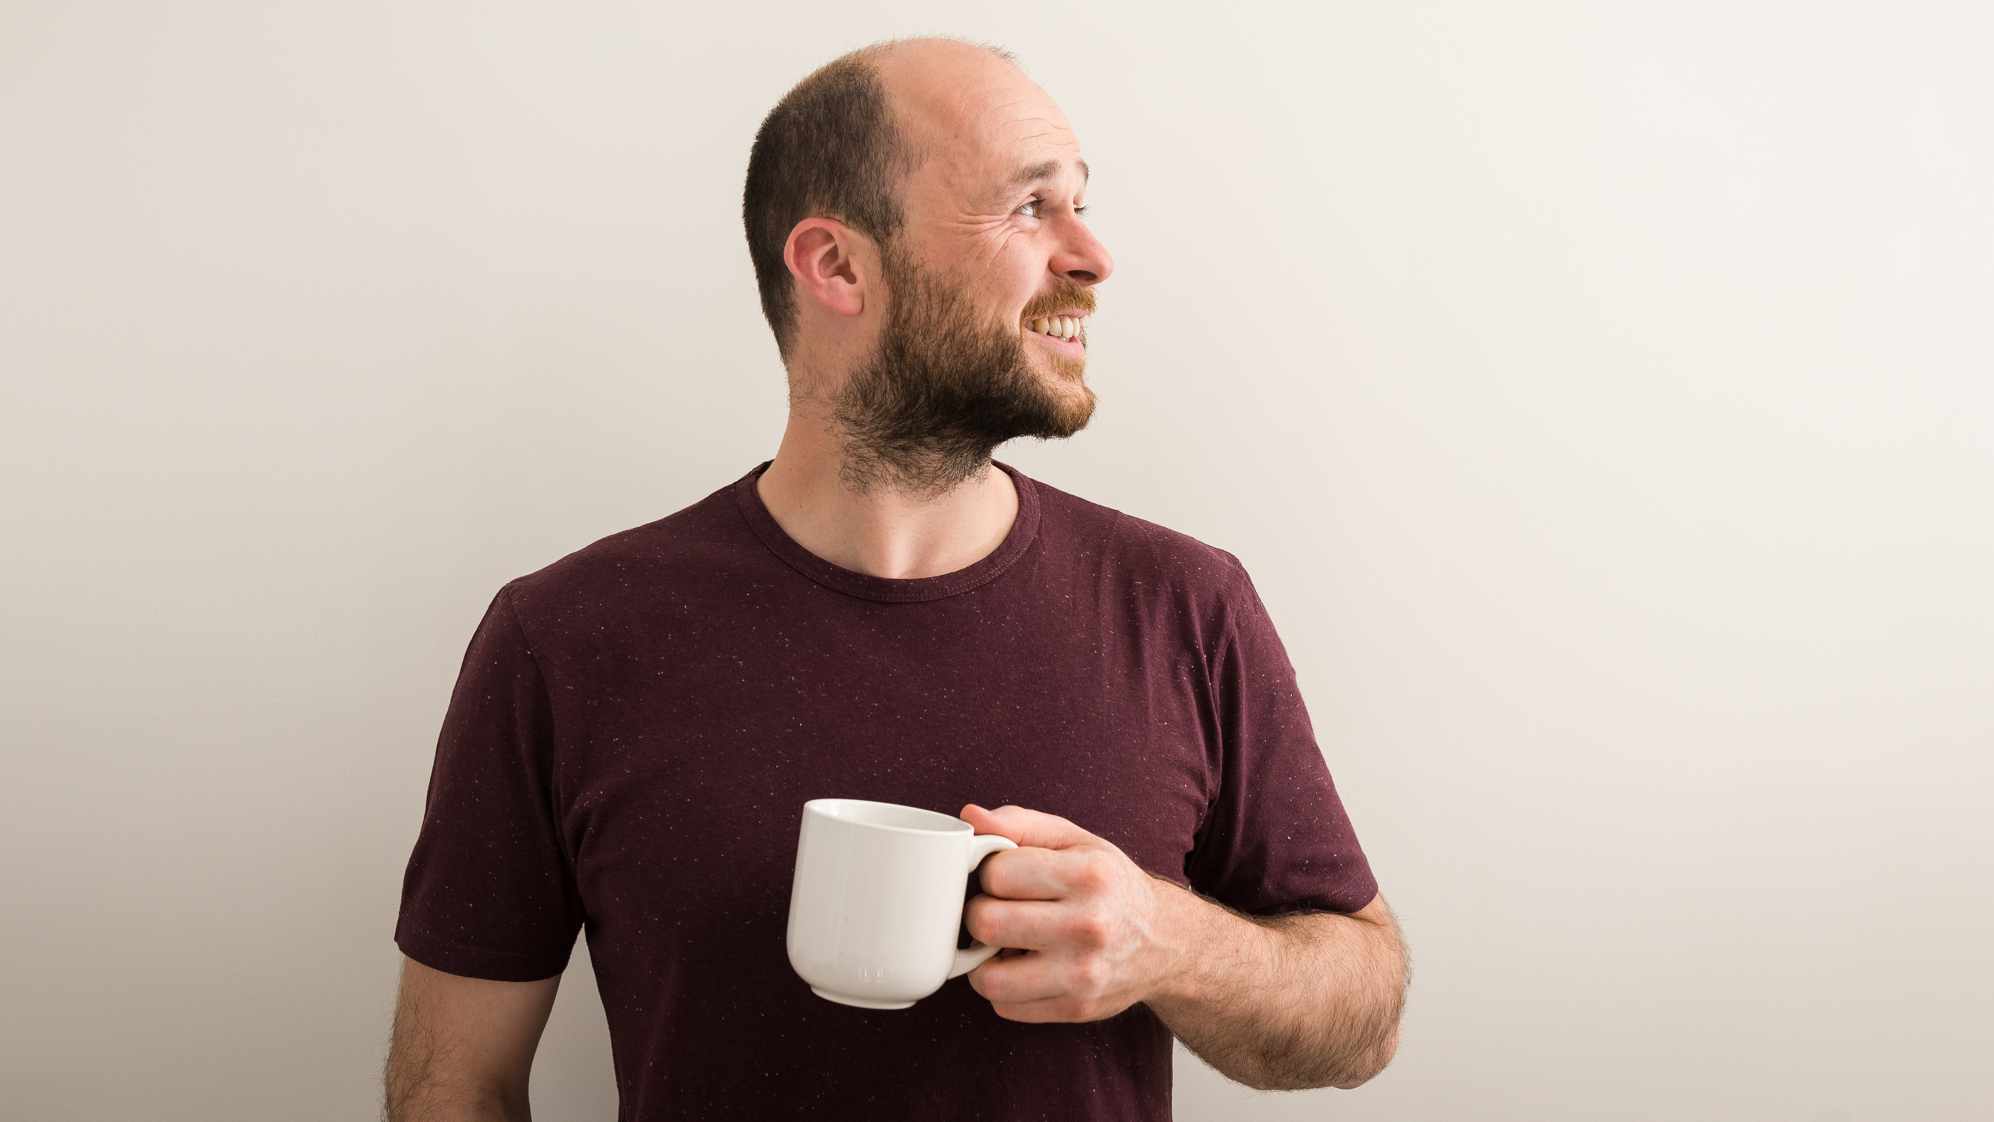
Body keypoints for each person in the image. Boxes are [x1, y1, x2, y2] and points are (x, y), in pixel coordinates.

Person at [386, 34, 1407, 1122]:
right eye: (1028, 207)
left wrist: (1169, 946)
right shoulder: (565, 639)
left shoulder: (1182, 605)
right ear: (836, 266)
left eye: (1080, 202)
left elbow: (1362, 1019)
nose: (1092, 255)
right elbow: (451, 1082)